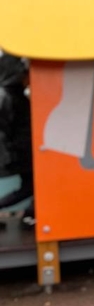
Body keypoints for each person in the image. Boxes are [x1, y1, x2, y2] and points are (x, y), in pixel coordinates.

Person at [0, 54, 34, 226]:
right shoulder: (12, 98)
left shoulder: (14, 96)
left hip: (22, 151)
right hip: (22, 152)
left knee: (32, 186)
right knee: (30, 187)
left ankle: (30, 215)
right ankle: (30, 215)